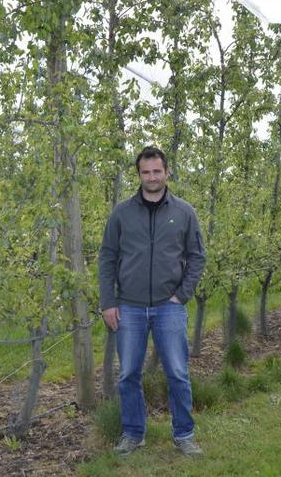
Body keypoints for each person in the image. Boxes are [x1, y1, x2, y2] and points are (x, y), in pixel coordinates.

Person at [98, 147, 206, 457]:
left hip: (168, 306)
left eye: (157, 171)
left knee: (177, 372)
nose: (152, 177)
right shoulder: (122, 213)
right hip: (128, 306)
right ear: (139, 174)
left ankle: (184, 434)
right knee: (129, 373)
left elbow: (197, 256)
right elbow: (107, 257)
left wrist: (181, 295)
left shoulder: (184, 212)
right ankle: (133, 434)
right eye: (146, 172)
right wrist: (108, 302)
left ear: (167, 172)